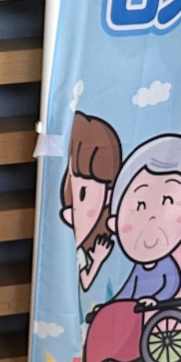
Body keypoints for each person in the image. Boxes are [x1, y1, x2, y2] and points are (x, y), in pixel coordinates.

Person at [80, 132, 181, 362]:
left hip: (154, 308)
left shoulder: (167, 264)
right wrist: (111, 303)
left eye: (168, 201)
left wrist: (155, 299)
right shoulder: (140, 268)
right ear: (115, 221)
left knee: (124, 313)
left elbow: (172, 284)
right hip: (135, 305)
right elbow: (128, 289)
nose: (151, 217)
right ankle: (100, 358)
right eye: (139, 205)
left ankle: (116, 354)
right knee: (106, 314)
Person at [60, 112, 123, 292]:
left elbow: (86, 282)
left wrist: (97, 260)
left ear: (108, 197)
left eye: (83, 194)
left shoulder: (80, 251)